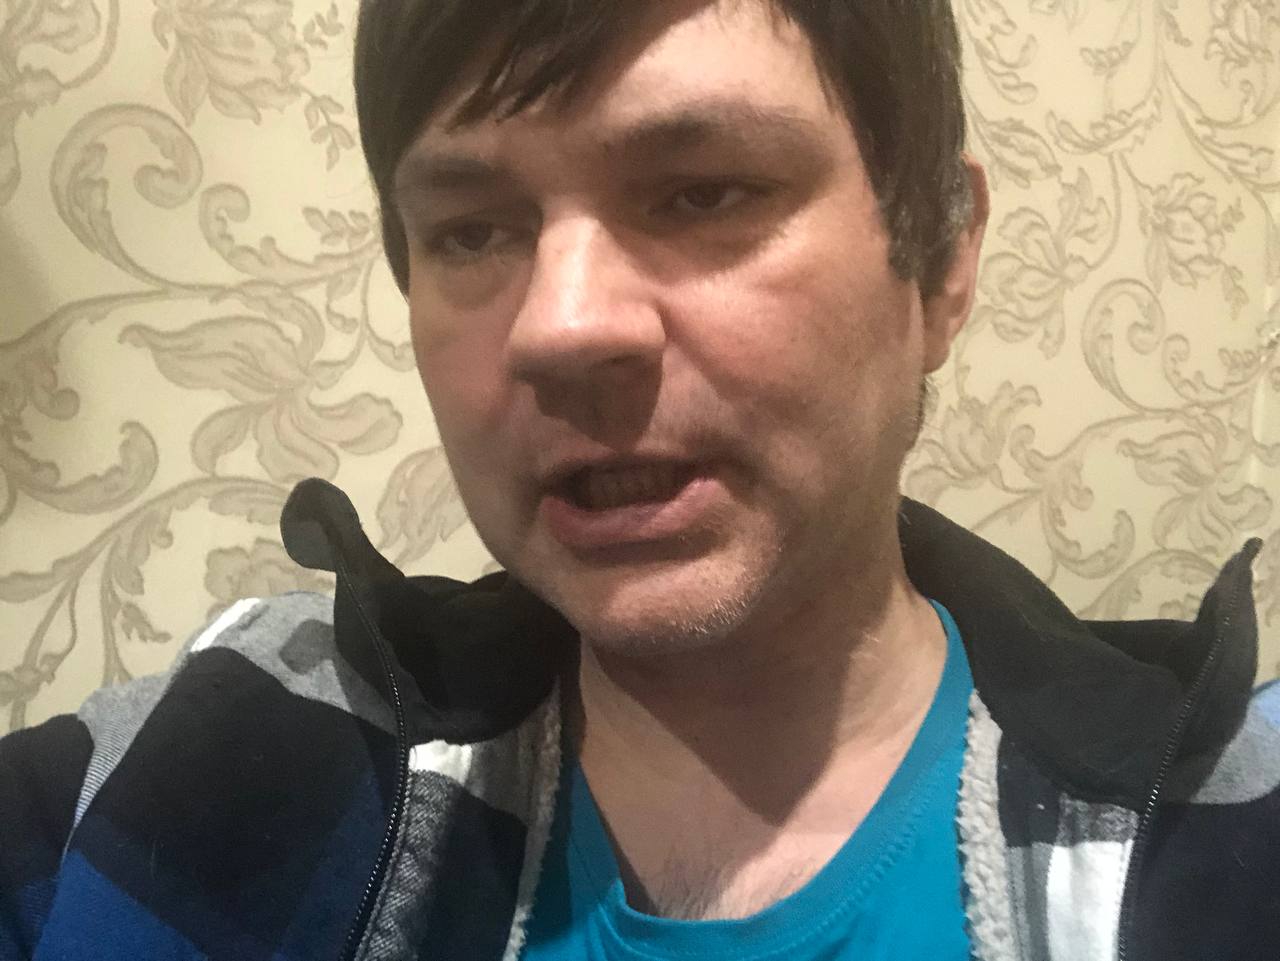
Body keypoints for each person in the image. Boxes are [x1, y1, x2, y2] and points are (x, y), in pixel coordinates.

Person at [2, 1, 1277, 959]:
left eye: (703, 192)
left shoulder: (1227, 836)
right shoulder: (219, 760)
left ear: (940, 260)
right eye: (472, 230)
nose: (560, 329)